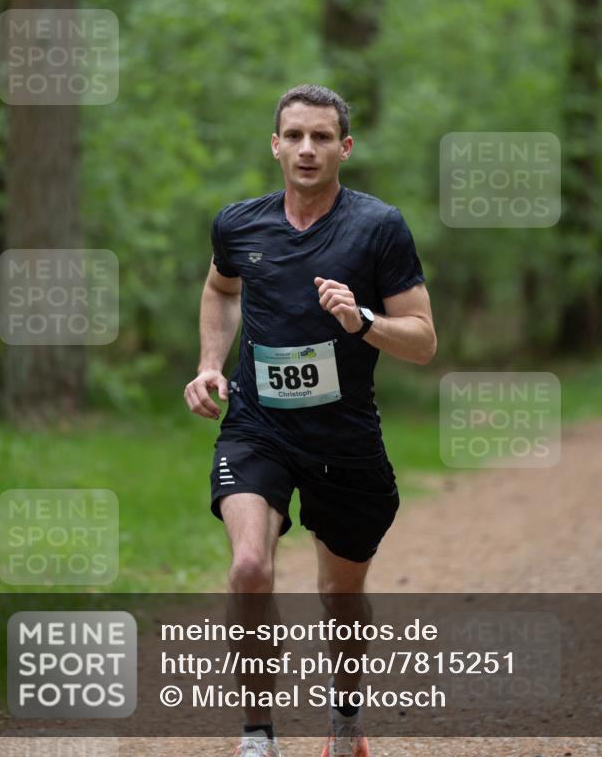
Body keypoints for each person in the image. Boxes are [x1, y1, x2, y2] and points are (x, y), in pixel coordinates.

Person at [184, 84, 437, 757]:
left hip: (344, 437)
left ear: (343, 148)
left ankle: (345, 722)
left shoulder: (377, 227)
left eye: (321, 137)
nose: (305, 148)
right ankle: (257, 735)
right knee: (247, 568)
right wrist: (211, 363)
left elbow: (422, 340)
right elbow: (219, 287)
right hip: (256, 427)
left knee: (340, 596)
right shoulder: (239, 224)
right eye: (293, 135)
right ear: (274, 145)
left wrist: (363, 321)